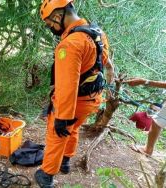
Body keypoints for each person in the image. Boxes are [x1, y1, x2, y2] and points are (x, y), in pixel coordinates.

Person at [35, 0, 114, 187]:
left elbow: (67, 86)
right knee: (74, 129)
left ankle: (47, 174)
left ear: (57, 16)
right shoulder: (97, 33)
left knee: (58, 133)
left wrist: (62, 116)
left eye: (50, 24)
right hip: (92, 99)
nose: (51, 28)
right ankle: (65, 161)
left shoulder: (70, 44)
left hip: (75, 102)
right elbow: (106, 64)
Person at [125, 78, 166, 156]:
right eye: (151, 108)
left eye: (155, 110)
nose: (152, 111)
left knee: (157, 122)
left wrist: (144, 81)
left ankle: (148, 150)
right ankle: (148, 149)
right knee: (157, 122)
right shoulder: (138, 115)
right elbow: (129, 122)